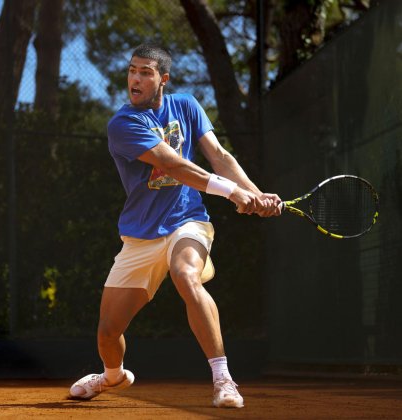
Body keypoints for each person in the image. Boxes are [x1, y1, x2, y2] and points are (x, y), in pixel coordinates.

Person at [68, 43, 282, 408]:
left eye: (145, 72)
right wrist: (234, 193)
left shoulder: (186, 105)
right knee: (107, 332)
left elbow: (220, 156)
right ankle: (113, 376)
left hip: (188, 221)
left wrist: (256, 194)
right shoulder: (123, 124)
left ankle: (223, 380)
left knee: (186, 274)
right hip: (140, 235)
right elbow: (174, 166)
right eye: (132, 70)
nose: (135, 78)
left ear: (162, 79)